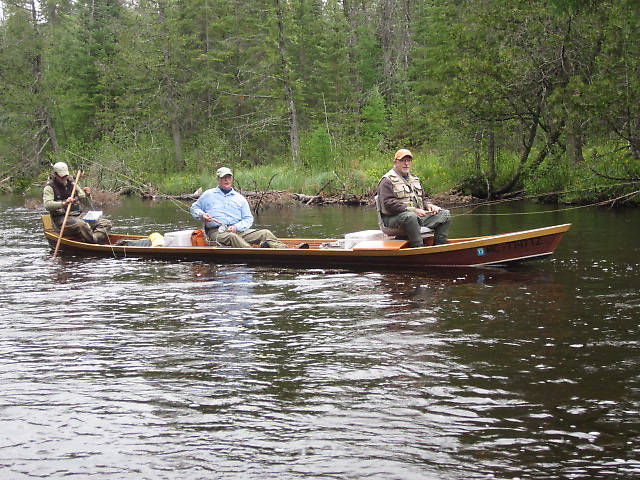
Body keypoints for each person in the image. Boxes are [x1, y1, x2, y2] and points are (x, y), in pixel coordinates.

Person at [190, 166, 299, 248]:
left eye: (229, 177)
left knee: (265, 233)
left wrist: (236, 227)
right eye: (223, 178)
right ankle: (254, 253)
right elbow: (194, 208)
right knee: (232, 237)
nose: (227, 180)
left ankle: (287, 250)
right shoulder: (208, 195)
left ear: (232, 179)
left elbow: (248, 219)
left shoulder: (240, 198)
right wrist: (202, 215)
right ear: (218, 179)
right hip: (216, 233)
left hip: (237, 231)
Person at [376, 149, 451, 247]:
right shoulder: (387, 180)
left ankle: (440, 247)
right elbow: (388, 204)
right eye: (403, 160)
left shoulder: (415, 179)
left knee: (445, 214)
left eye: (408, 160)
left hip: (416, 217)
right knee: (411, 217)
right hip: (392, 220)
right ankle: (419, 248)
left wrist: (429, 205)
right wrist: (414, 210)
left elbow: (423, 198)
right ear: (395, 162)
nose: (406, 163)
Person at [43, 162, 112, 244]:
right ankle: (94, 243)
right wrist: (64, 203)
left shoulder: (73, 185)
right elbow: (47, 205)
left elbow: (88, 203)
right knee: (81, 224)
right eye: (61, 176)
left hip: (79, 217)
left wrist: (88, 195)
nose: (64, 178)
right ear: (55, 174)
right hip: (62, 221)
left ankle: (93, 239)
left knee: (106, 223)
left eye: (65, 176)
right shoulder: (49, 188)